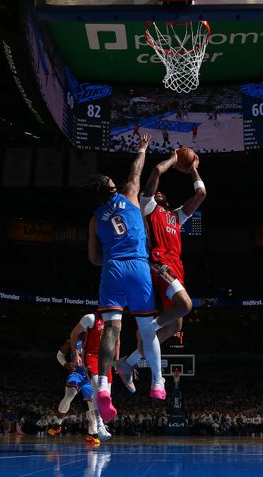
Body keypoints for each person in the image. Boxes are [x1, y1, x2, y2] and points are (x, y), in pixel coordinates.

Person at [84, 134, 164, 422]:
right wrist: (143, 147)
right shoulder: (129, 192)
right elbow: (136, 170)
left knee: (111, 330)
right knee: (146, 328)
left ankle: (104, 387)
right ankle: (157, 382)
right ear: (109, 186)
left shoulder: (94, 218)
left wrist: (113, 259)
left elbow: (94, 257)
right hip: (138, 266)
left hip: (113, 269)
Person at [115, 151, 207, 393]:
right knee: (185, 305)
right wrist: (175, 160)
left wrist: (193, 168)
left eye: (162, 193)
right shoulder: (149, 207)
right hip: (158, 262)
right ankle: (147, 328)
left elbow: (201, 194)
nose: (159, 193)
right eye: (156, 193)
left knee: (174, 326)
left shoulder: (176, 217)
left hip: (176, 267)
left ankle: (129, 362)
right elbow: (156, 171)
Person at [69, 314, 113, 444]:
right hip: (92, 356)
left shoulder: (116, 319)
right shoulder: (91, 318)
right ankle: (100, 425)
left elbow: (117, 341)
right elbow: (73, 334)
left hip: (107, 358)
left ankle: (92, 415)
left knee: (106, 395)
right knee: (97, 389)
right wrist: (76, 355)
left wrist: (116, 361)